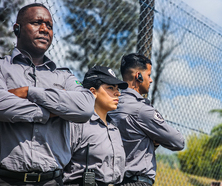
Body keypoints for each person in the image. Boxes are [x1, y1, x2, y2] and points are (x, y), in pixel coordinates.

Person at [0, 3, 95, 186]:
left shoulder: (64, 75)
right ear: (17, 29)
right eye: (37, 23)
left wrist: (30, 92)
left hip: (52, 181)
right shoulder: (3, 67)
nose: (44, 29)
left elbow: (85, 107)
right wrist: (53, 110)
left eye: (49, 26)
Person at [109, 53, 185, 186]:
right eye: (148, 75)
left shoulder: (111, 105)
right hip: (138, 182)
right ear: (138, 76)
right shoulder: (141, 110)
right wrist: (155, 139)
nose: (150, 80)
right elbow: (178, 141)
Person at [63, 66, 128, 186]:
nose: (118, 93)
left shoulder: (114, 129)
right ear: (93, 92)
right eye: (110, 87)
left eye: (118, 89)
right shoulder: (77, 124)